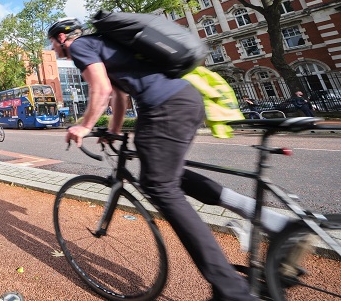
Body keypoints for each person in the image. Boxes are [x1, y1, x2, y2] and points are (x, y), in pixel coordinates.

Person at [48, 18, 255, 301]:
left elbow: (102, 89)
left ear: (61, 38)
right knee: (168, 176)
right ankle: (260, 214)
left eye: (52, 44)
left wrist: (84, 126)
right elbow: (119, 96)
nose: (53, 49)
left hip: (164, 107)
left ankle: (232, 290)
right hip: (182, 100)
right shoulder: (102, 44)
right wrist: (114, 131)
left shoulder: (81, 46)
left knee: (159, 185)